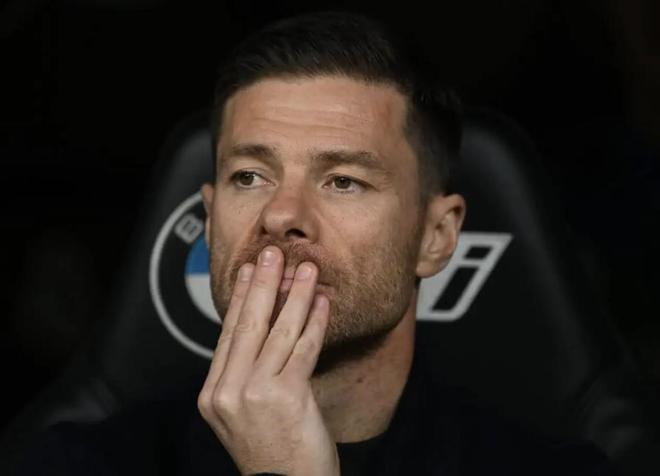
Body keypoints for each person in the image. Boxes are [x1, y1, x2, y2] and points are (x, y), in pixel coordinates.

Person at [16, 11, 620, 476]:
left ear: (436, 237)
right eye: (249, 176)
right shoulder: (73, 466)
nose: (281, 214)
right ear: (210, 215)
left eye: (343, 181)